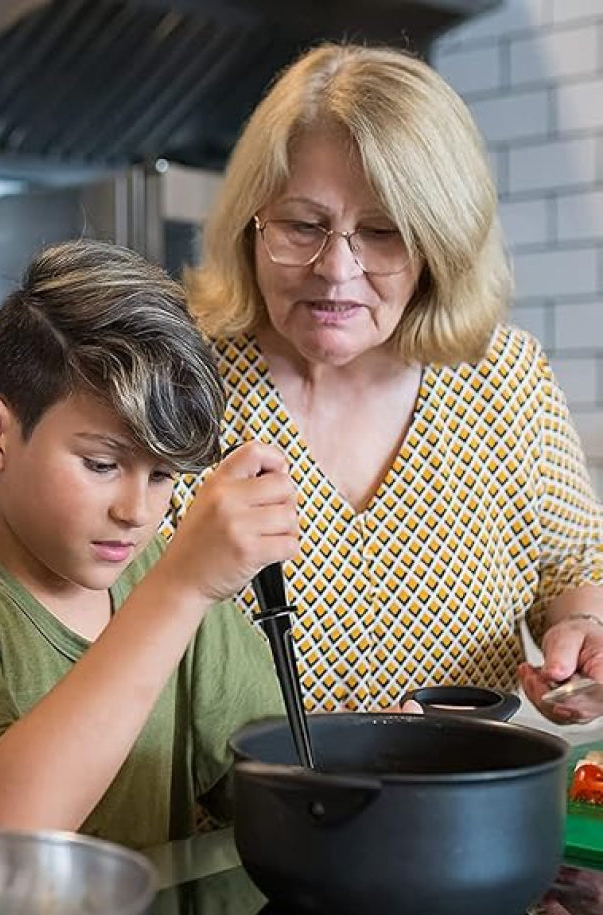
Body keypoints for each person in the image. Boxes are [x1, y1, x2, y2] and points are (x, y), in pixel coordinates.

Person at [175, 43, 603, 724]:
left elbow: (578, 567)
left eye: (383, 232)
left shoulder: (503, 381)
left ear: (442, 244)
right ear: (250, 226)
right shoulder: (176, 387)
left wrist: (581, 633)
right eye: (303, 225)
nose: (337, 268)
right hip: (238, 826)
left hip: (456, 817)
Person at [0, 239, 299, 846]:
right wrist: (180, 589)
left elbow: (276, 792)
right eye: (100, 464)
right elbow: (2, 834)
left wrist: (371, 767)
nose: (136, 512)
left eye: (163, 476)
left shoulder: (172, 584)